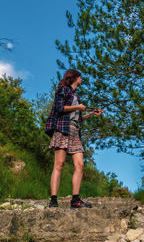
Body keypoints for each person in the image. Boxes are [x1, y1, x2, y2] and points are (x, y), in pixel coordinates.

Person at [45, 69, 104, 208]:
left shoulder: (75, 96)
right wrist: (77, 107)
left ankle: (75, 200)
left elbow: (77, 118)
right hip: (62, 130)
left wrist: (90, 114)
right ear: (75, 78)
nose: (81, 80)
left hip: (74, 132)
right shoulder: (63, 90)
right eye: (80, 77)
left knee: (80, 165)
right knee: (59, 165)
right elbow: (59, 108)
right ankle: (53, 200)